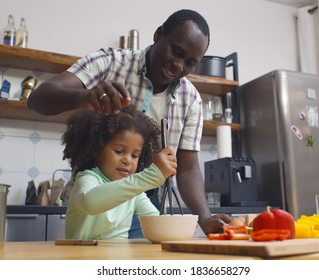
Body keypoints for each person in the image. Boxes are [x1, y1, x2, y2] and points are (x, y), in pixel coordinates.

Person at [27, 9, 231, 236]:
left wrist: (204, 217)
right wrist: (84, 96)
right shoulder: (110, 62)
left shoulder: (191, 99)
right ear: (158, 35)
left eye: (190, 63)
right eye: (176, 51)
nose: (178, 66)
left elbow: (187, 166)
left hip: (145, 197)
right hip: (100, 191)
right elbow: (37, 100)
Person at [62, 105, 177, 239]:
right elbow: (90, 202)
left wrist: (177, 227)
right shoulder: (87, 178)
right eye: (118, 151)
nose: (127, 160)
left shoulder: (135, 193)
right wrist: (151, 176)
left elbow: (157, 222)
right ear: (96, 149)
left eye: (135, 156)